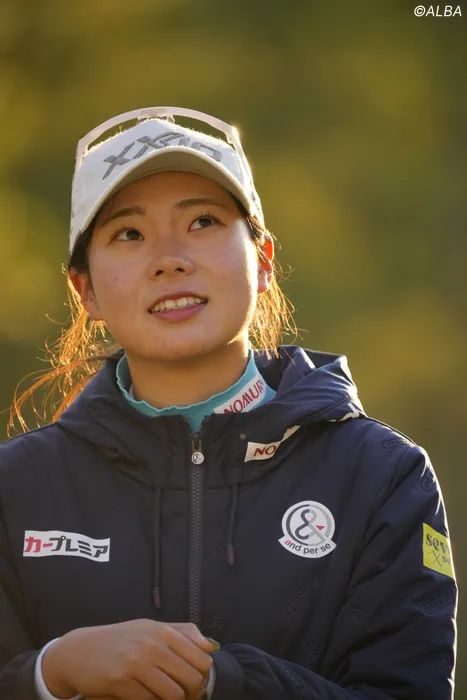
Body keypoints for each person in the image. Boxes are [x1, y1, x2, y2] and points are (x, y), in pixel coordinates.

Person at [0, 106, 457, 700]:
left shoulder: (382, 475)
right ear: (84, 290)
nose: (169, 258)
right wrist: (49, 674)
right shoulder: (15, 487)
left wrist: (223, 681)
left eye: (204, 221)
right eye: (129, 234)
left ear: (263, 262)